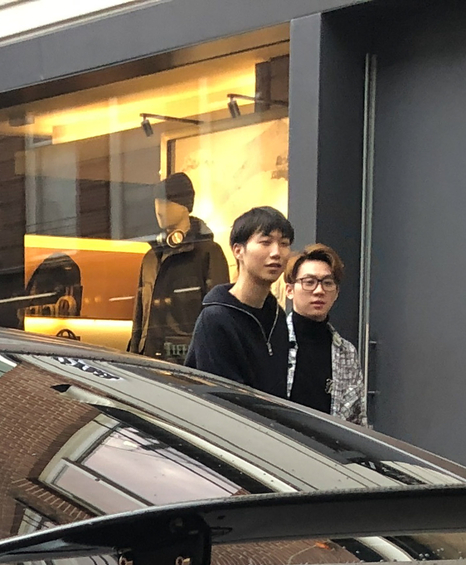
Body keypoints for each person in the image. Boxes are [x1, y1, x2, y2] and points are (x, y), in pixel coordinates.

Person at [185, 206, 293, 389]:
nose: (276, 253)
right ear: (238, 251)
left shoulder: (277, 317)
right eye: (266, 242)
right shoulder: (215, 319)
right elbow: (221, 401)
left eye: (284, 243)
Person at [128, 173, 227, 363]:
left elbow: (217, 317)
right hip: (148, 362)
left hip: (187, 364)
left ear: (184, 207)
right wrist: (133, 357)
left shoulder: (207, 253)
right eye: (156, 203)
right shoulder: (150, 257)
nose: (159, 210)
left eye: (166, 202)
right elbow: (139, 317)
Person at [276, 243, 367, 423]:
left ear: (337, 292)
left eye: (327, 283)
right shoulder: (273, 341)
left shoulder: (346, 353)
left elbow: (357, 419)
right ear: (289, 290)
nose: (319, 291)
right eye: (309, 282)